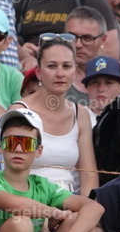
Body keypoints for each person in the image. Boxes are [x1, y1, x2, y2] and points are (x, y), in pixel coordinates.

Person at [10, 36, 99, 197]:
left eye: (66, 66)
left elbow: (89, 174)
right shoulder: (20, 111)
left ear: (74, 71)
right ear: (38, 71)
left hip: (71, 201)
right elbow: (11, 171)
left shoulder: (81, 115)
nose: (60, 73)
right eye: (52, 66)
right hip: (30, 200)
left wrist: (83, 207)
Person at [67, 6, 120, 98]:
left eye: (87, 38)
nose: (78, 45)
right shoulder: (50, 70)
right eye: (72, 37)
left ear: (102, 39)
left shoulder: (119, 71)